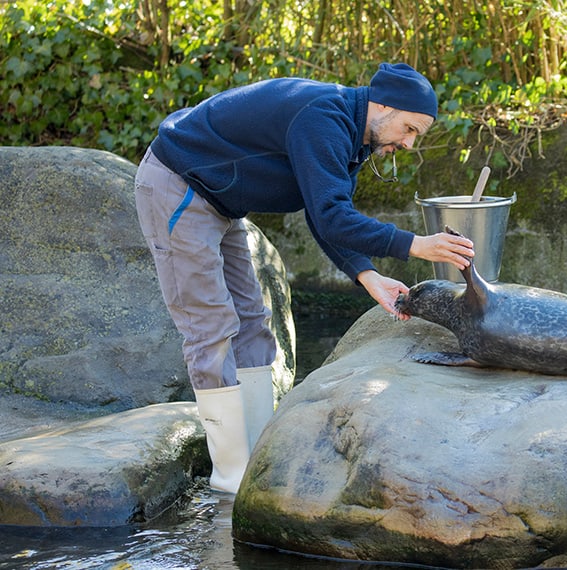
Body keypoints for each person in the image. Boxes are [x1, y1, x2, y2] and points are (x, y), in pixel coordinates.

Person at [134, 62, 474, 494]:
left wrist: (367, 274)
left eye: (414, 136)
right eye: (408, 129)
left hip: (220, 201)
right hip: (178, 185)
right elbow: (333, 217)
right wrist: (413, 244)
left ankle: (257, 455)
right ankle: (231, 479)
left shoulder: (354, 135)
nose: (407, 144)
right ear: (382, 104)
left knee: (254, 323)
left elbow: (325, 213)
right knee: (211, 328)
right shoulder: (322, 118)